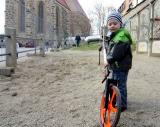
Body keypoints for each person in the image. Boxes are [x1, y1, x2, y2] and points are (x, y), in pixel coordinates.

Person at [103, 11, 133, 112]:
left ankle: (122, 105)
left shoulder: (121, 36)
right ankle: (116, 100)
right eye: (110, 24)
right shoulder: (114, 34)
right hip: (116, 65)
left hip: (121, 66)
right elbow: (110, 46)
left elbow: (116, 53)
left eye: (115, 23)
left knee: (121, 85)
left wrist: (108, 60)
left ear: (120, 24)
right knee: (115, 83)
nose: (112, 26)